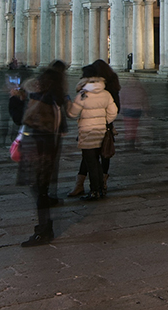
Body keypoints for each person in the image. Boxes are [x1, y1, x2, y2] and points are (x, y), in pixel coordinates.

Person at [18, 61, 67, 246]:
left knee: (38, 189)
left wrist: (16, 100)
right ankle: (45, 228)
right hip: (47, 148)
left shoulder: (43, 101)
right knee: (41, 189)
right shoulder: (56, 98)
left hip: (38, 149)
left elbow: (23, 119)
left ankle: (44, 230)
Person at [66, 60, 119, 200]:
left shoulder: (83, 94)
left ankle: (95, 190)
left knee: (92, 162)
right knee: (98, 161)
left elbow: (72, 113)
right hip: (101, 130)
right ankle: (100, 189)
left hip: (87, 132)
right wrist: (105, 121)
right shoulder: (106, 93)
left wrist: (68, 105)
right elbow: (114, 111)